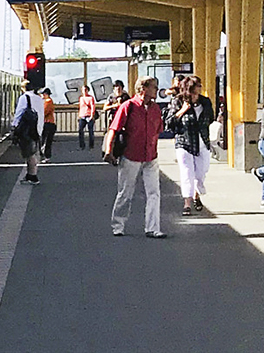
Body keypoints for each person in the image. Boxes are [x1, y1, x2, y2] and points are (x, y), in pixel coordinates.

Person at [110, 77, 167, 238]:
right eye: (154, 87)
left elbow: (158, 130)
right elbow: (114, 128)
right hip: (131, 155)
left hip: (151, 156)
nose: (157, 90)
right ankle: (118, 225)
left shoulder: (155, 109)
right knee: (125, 192)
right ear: (143, 89)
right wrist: (108, 150)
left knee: (154, 192)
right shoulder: (128, 106)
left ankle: (153, 227)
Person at [168, 75, 214, 216]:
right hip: (184, 141)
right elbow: (169, 122)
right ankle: (187, 203)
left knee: (201, 172)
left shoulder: (205, 102)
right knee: (187, 172)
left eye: (198, 89)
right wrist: (182, 111)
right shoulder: (178, 101)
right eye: (194, 90)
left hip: (202, 142)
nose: (197, 93)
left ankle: (196, 193)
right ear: (187, 90)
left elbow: (210, 117)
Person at [12, 82, 45, 183]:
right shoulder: (39, 98)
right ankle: (29, 175)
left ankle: (33, 176)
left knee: (29, 153)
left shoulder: (24, 97)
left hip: (27, 129)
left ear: (23, 88)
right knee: (32, 151)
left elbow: (19, 112)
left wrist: (14, 125)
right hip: (37, 128)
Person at [77, 84, 98, 150]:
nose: (84, 91)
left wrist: (92, 115)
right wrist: (79, 115)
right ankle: (82, 145)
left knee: (90, 131)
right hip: (82, 115)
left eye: (85, 90)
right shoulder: (81, 98)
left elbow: (92, 106)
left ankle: (91, 145)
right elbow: (80, 107)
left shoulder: (90, 98)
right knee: (80, 130)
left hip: (89, 115)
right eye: (83, 90)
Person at [39, 87, 58, 159]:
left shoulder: (48, 102)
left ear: (46, 94)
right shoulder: (47, 101)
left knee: (46, 141)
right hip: (48, 123)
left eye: (42, 94)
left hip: (48, 123)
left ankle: (46, 156)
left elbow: (44, 112)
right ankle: (45, 156)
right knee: (45, 141)